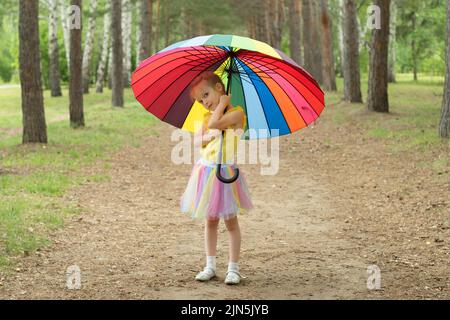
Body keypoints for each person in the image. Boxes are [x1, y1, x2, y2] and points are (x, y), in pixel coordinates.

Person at [180, 71, 254, 285]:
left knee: (231, 223)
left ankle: (233, 268)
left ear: (219, 89)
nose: (204, 102)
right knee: (210, 221)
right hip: (206, 171)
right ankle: (210, 265)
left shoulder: (238, 114)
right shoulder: (206, 117)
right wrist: (207, 137)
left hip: (226, 174)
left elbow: (215, 124)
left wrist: (222, 105)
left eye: (206, 95)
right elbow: (197, 141)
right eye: (200, 100)